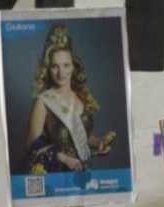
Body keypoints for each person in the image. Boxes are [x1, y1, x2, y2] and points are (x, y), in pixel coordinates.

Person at [26, 23, 114, 173]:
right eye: (55, 66)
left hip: (83, 170)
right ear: (48, 69)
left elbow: (82, 136)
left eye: (66, 65)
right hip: (57, 173)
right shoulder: (43, 101)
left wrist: (99, 142)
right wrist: (65, 159)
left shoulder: (81, 96)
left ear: (74, 66)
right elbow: (32, 146)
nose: (61, 73)